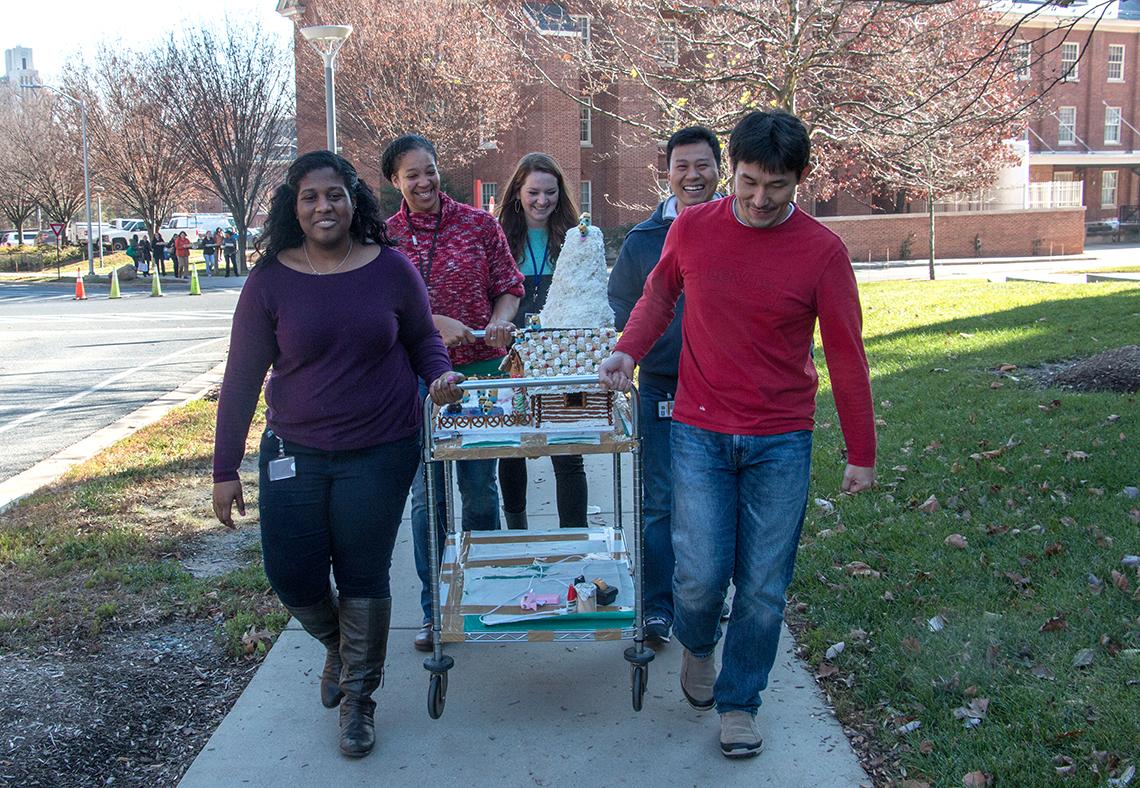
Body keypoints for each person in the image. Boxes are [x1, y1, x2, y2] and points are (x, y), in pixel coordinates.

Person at [599, 110, 876, 759]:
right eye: (748, 182)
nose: (758, 199)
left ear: (799, 179)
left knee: (761, 586)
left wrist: (862, 451)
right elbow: (658, 297)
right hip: (698, 431)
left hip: (781, 438)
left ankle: (739, 700)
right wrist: (627, 352)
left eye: (775, 187)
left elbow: (846, 353)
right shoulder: (694, 229)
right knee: (697, 577)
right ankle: (698, 644)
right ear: (732, 172)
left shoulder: (822, 252)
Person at [212, 150, 460, 758]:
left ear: (355, 202)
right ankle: (339, 647)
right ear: (293, 209)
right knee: (290, 573)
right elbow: (242, 377)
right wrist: (225, 467)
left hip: (382, 448)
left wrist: (440, 378)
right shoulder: (270, 278)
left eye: (335, 195)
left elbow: (423, 338)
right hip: (294, 449)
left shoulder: (391, 268)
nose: (324, 206)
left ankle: (359, 701)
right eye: (310, 197)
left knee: (363, 575)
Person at [382, 134, 524, 651]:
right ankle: (434, 610)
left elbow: (510, 286)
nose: (424, 182)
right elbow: (380, 314)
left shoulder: (478, 224)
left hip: (478, 376)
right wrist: (432, 323)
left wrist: (498, 321)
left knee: (480, 488)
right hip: (416, 379)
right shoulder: (384, 237)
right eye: (411, 174)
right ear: (394, 181)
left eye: (430, 170)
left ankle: (484, 599)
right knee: (428, 496)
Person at [608, 126, 724, 647]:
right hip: (662, 388)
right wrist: (644, 352)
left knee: (715, 500)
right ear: (667, 170)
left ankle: (706, 600)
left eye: (702, 165)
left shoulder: (738, 227)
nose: (692, 176)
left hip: (725, 389)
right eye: (683, 166)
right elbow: (627, 305)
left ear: (719, 169)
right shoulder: (643, 241)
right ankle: (657, 607)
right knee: (660, 501)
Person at [493, 153, 588, 530]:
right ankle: (517, 532)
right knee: (512, 447)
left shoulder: (573, 236)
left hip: (561, 355)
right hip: (512, 354)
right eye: (533, 192)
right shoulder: (498, 234)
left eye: (550, 192)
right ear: (518, 192)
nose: (542, 201)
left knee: (568, 451)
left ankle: (575, 537)